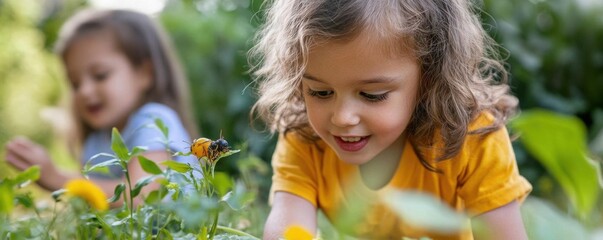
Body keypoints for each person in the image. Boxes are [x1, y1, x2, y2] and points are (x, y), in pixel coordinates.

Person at [250, 0, 532, 239]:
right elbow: (288, 227)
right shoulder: (305, 137)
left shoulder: (472, 136)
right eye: (320, 92)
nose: (342, 117)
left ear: (429, 78)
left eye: (372, 95)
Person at [4, 9, 199, 206]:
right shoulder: (95, 143)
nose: (84, 92)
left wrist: (58, 179)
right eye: (75, 83)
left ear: (144, 73)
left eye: (100, 75)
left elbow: (141, 196)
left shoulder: (154, 120)